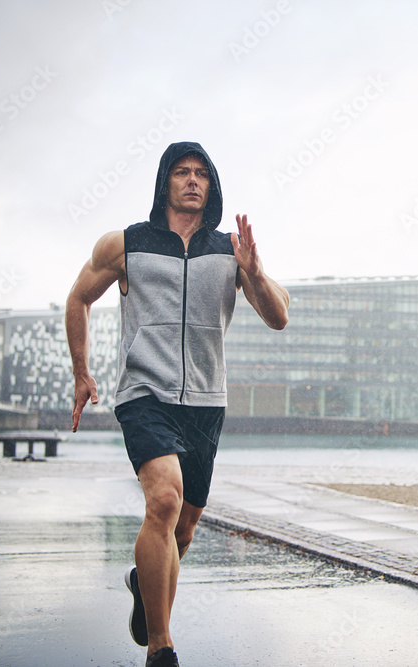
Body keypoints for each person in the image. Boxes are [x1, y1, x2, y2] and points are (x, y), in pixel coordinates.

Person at [65, 141, 289, 667]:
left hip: (207, 403)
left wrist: (252, 273)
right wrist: (81, 372)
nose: (192, 181)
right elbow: (78, 298)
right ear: (165, 181)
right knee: (162, 503)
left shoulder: (231, 250)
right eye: (182, 173)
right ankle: (161, 649)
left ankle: (146, 590)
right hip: (146, 394)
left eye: (201, 174)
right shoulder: (125, 244)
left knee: (183, 529)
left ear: (211, 186)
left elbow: (278, 317)